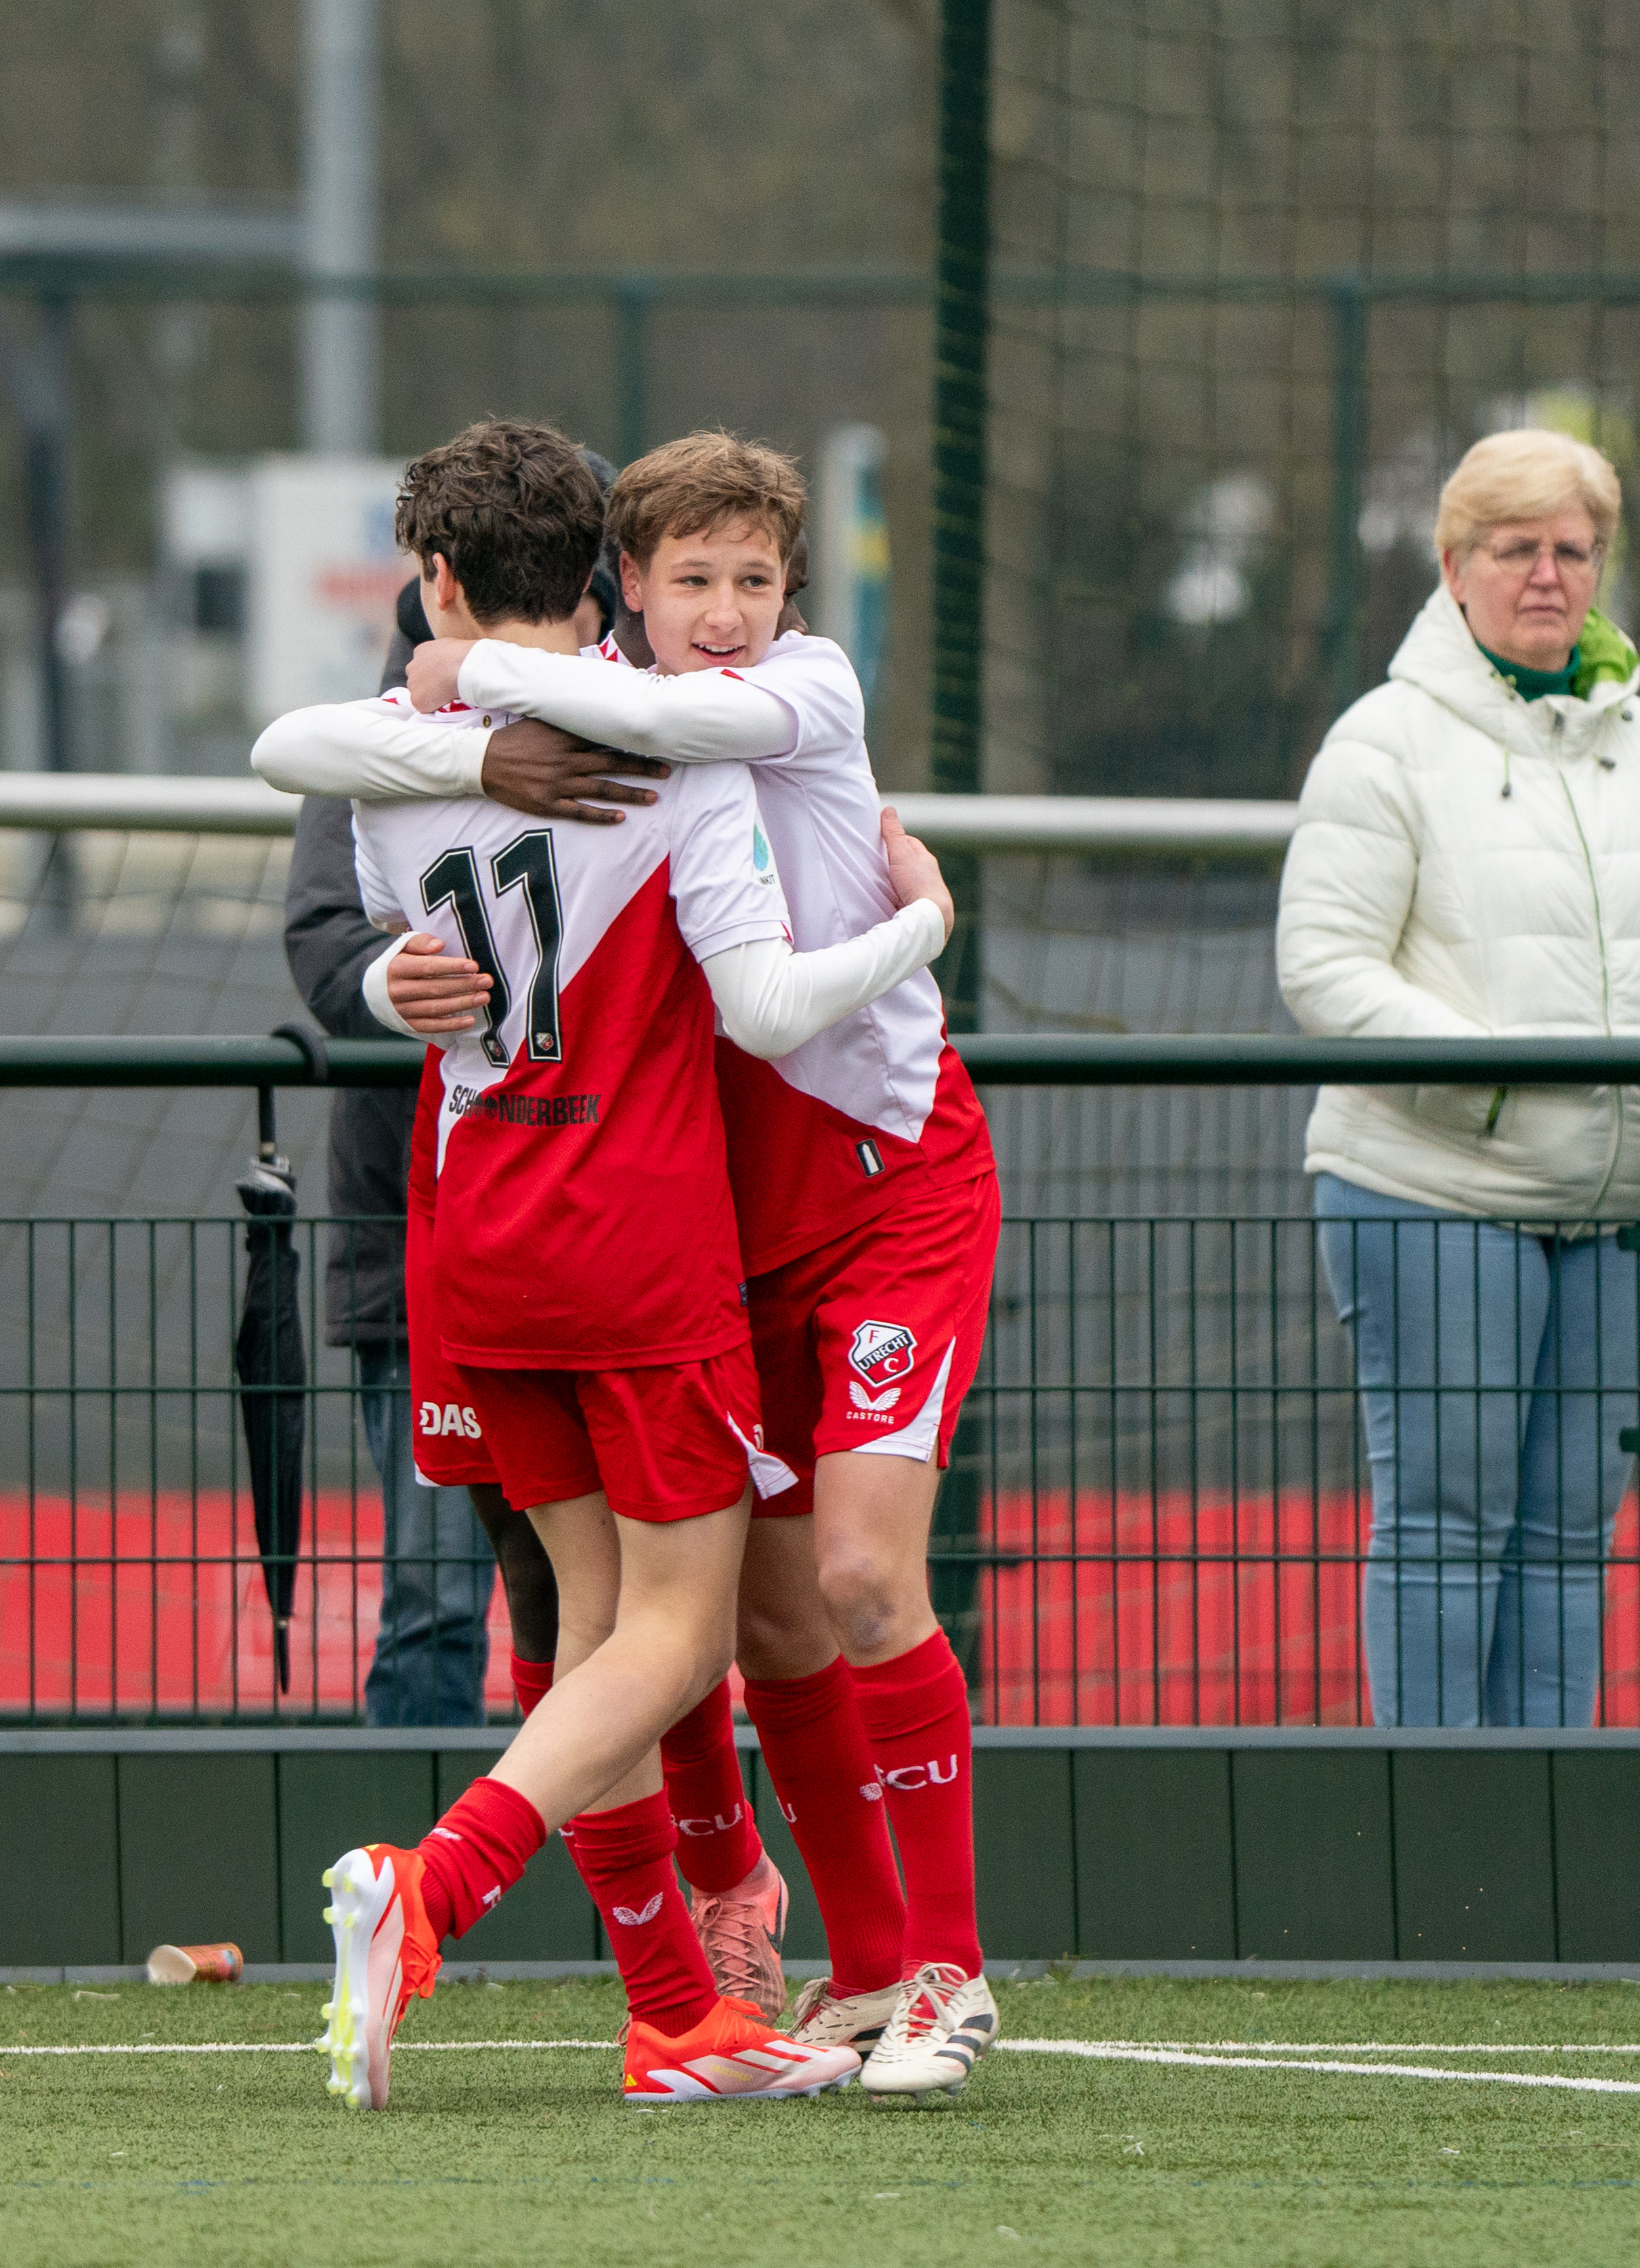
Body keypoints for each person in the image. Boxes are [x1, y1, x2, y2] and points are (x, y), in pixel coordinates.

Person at [263, 428, 1004, 2099]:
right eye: (694, 579)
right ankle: (436, 1886)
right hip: (647, 1235)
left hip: (494, 1222)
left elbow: (286, 751)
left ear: (434, 578)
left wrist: (449, 698)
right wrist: (927, 924)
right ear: (615, 584)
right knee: (675, 1633)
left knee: (621, 1618)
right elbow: (757, 1001)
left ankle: (686, 2003)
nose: (725, 610)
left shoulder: (408, 752)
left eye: (753, 580)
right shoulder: (660, 758)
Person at [1278, 426, 1640, 1728]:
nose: (1548, 574)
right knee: (1445, 1520)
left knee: (1569, 1535)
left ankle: (1546, 1823)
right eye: (1515, 548)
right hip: (1434, 1187)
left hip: (1625, 1202)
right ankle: (1436, 1825)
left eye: (1573, 550)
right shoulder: (1382, 743)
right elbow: (1323, 964)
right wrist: (1494, 1081)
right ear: (1454, 566)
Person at [280, 578, 660, 1728]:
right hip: (425, 1244)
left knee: (633, 1597)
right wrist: (391, 985)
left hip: (613, 1243)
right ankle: (438, 1836)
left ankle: (584, 1828)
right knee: (442, 1596)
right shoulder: (380, 730)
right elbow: (325, 936)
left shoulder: (646, 725)